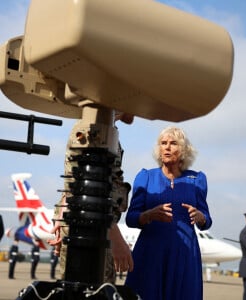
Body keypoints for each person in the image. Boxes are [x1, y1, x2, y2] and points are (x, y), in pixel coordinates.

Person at [125, 126, 212, 300]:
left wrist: (201, 217)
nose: (167, 147)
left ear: (183, 150)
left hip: (185, 254)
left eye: (173, 143)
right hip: (151, 252)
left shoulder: (197, 180)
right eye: (163, 143)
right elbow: (130, 218)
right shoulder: (146, 177)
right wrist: (149, 215)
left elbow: (207, 220)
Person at [49, 111, 134, 282]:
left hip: (97, 226)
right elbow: (85, 187)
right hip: (92, 227)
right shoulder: (92, 128)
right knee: (91, 288)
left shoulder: (105, 129)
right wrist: (115, 238)